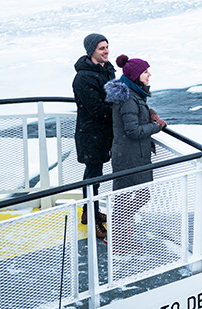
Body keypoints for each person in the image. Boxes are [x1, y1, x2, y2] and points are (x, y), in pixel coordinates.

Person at [104, 54, 166, 249]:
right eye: (146, 72)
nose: (149, 75)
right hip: (130, 157)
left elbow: (138, 112)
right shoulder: (128, 98)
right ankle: (118, 238)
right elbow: (133, 130)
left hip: (131, 155)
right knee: (135, 196)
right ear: (136, 76)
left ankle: (120, 236)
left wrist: (151, 113)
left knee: (125, 198)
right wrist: (157, 127)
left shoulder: (132, 93)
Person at [72, 33, 115, 239]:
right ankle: (91, 215)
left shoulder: (107, 69)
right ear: (91, 51)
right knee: (93, 177)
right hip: (91, 134)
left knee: (94, 175)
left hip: (105, 132)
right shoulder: (83, 78)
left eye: (107, 47)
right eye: (101, 48)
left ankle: (91, 212)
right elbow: (96, 108)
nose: (106, 51)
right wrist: (119, 108)